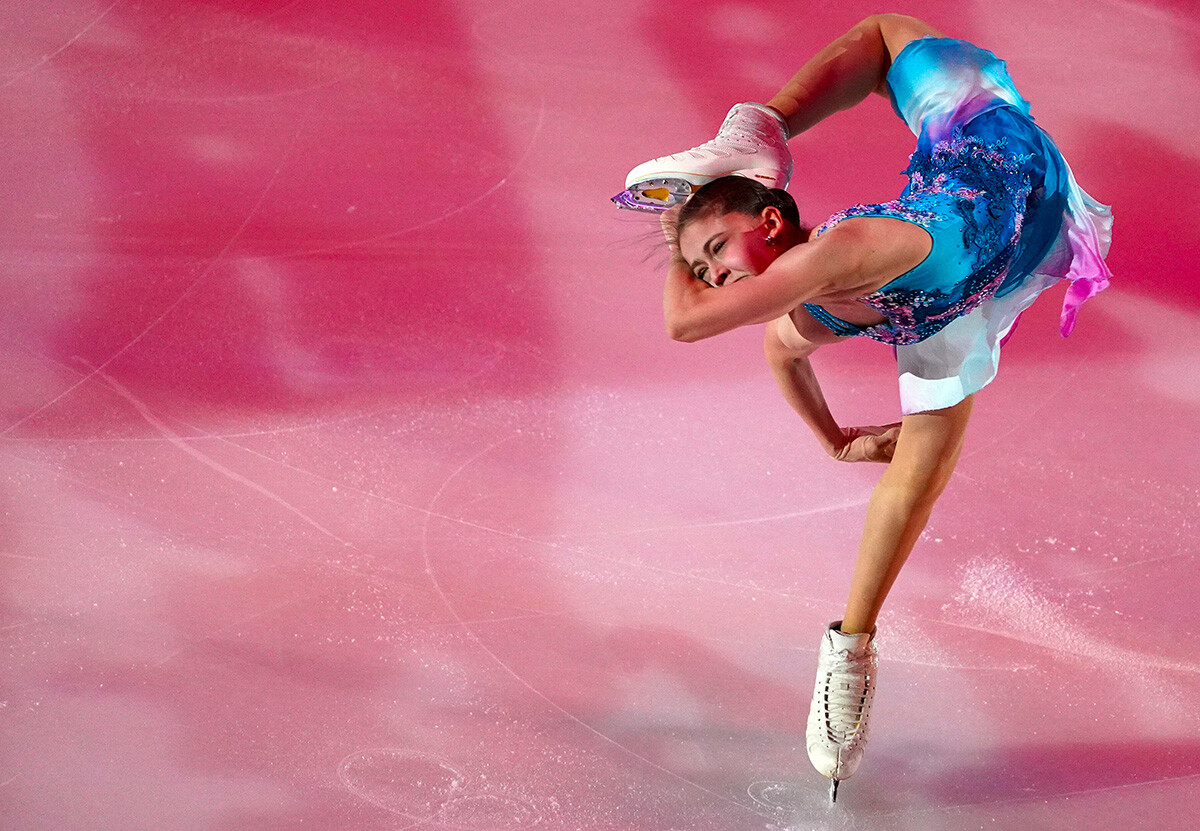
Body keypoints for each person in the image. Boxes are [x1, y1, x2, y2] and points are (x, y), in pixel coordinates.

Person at [616, 13, 1112, 799]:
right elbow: (782, 348)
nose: (712, 279)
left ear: (771, 220)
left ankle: (758, 128)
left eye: (716, 253)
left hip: (999, 152)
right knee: (913, 466)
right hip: (941, 289)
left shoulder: (841, 253)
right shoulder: (832, 288)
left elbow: (683, 324)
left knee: (885, 38)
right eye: (703, 270)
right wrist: (835, 439)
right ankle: (852, 645)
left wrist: (674, 204)